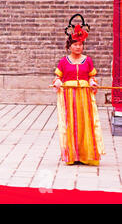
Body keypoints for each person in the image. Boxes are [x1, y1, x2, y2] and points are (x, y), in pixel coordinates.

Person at [53, 14, 105, 166]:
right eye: (75, 45)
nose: (78, 47)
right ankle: (72, 155)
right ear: (69, 46)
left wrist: (93, 82)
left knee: (86, 123)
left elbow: (92, 77)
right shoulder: (64, 61)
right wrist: (57, 82)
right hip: (69, 96)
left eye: (80, 44)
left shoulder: (87, 60)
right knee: (71, 124)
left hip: (84, 96)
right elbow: (57, 77)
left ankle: (87, 154)